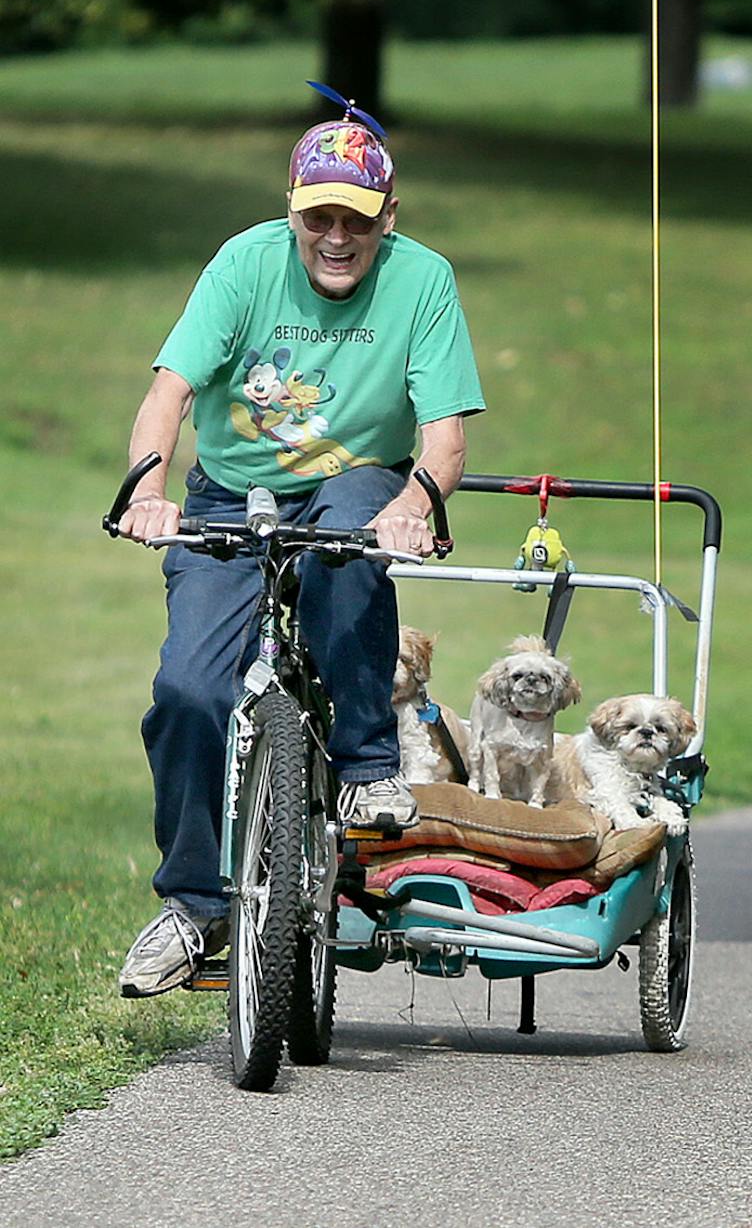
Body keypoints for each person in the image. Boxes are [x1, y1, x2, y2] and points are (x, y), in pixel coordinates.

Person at [111, 90, 486, 998]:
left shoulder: (424, 279)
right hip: (233, 493)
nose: (335, 237)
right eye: (318, 215)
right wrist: (148, 490)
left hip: (358, 478)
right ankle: (193, 907)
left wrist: (414, 502)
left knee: (347, 540)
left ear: (386, 217)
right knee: (187, 692)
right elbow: (170, 395)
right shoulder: (243, 263)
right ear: (293, 209)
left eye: (355, 219)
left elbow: (445, 436)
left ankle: (365, 769)